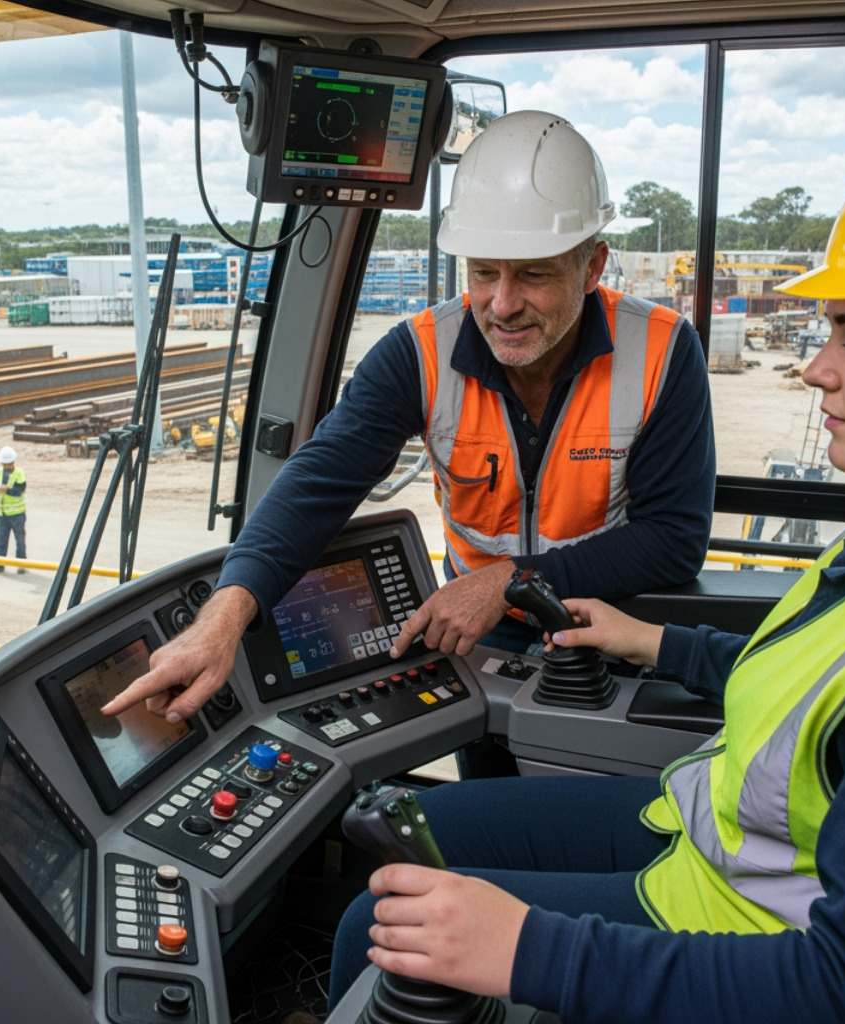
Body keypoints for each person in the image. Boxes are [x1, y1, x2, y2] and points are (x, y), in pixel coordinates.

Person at [326, 113, 845, 1023]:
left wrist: (533, 951)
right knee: (406, 867)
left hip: (756, 925)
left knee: (380, 922)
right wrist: (663, 644)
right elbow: (844, 694)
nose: (815, 370)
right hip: (726, 845)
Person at [103, 111, 715, 728]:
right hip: (480, 638)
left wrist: (509, 580)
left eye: (532, 274)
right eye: (482, 272)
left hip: (606, 628)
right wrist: (225, 615)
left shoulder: (662, 351)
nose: (501, 305)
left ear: (591, 266)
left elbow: (673, 538)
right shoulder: (419, 352)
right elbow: (318, 481)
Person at [0, 445, 27, 575]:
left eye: (9, 464)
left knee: (20, 541)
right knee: (1, 541)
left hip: (17, 514)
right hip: (2, 514)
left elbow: (20, 490)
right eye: (5, 464)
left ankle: (22, 565)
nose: (7, 466)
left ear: (13, 462)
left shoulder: (19, 473)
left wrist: (7, 490)